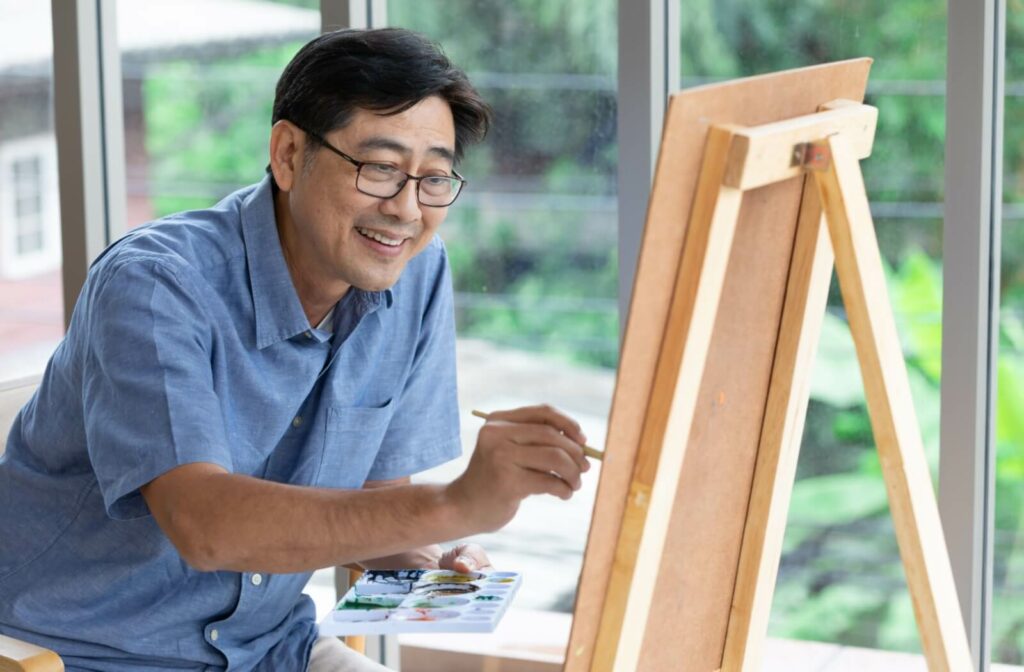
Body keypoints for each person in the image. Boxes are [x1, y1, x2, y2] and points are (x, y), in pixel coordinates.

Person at [0, 28, 590, 672]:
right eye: (382, 168)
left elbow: (379, 498)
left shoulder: (415, 272)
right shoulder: (155, 284)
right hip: (75, 653)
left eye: (434, 178)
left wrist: (431, 558)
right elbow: (206, 527)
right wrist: (453, 503)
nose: (406, 209)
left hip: (271, 649)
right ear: (287, 154)